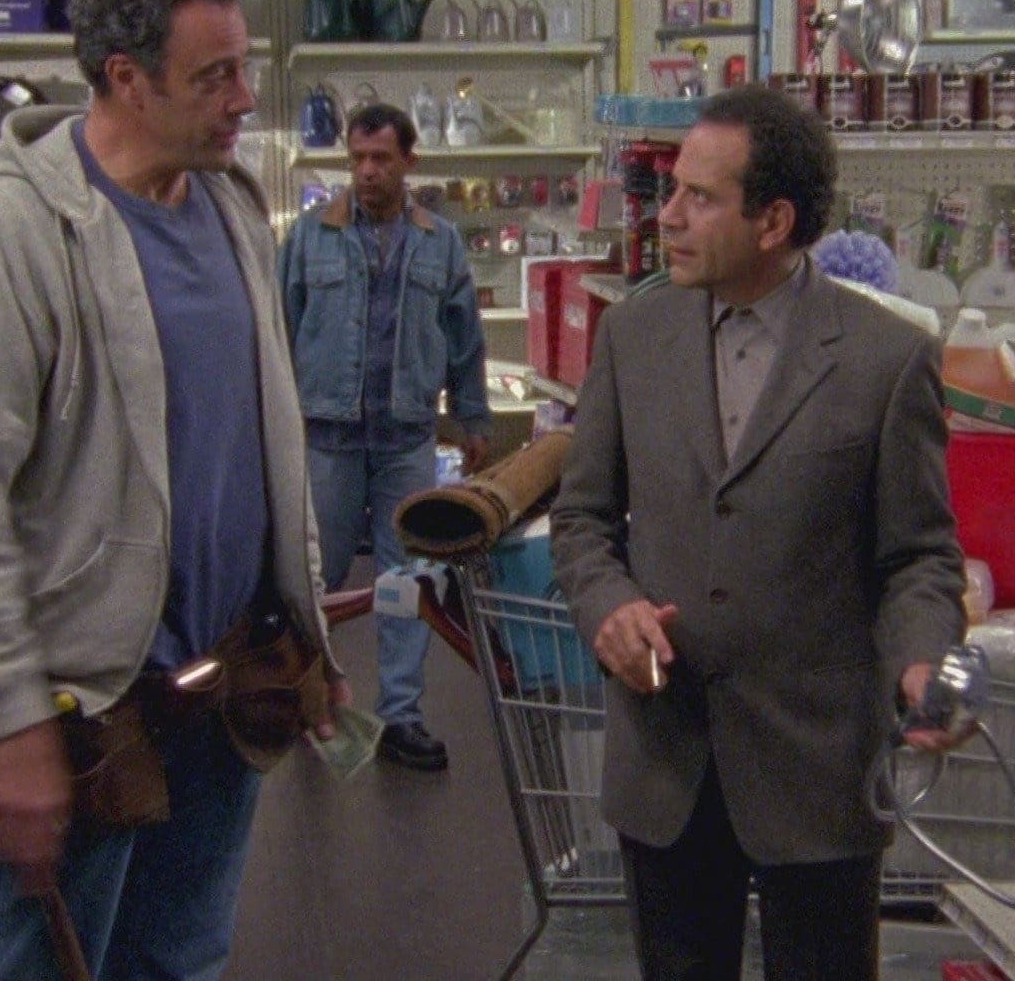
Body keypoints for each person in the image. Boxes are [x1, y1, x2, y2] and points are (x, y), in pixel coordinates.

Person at [0, 0, 346, 978]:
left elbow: (265, 433)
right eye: (215, 76)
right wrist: (10, 717)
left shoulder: (233, 207)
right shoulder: (18, 230)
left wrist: (307, 623)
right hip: (88, 716)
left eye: (245, 67)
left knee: (181, 961)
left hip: (224, 688)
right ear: (126, 78)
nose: (246, 98)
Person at [549, 85, 968, 979]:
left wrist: (921, 660)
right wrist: (609, 608)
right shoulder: (632, 336)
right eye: (672, 189)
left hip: (818, 766)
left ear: (773, 221)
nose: (668, 216)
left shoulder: (886, 359)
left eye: (700, 198)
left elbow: (920, 556)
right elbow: (583, 518)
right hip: (668, 758)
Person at [280, 102, 491, 772]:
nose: (367, 171)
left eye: (381, 158)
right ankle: (314, 703)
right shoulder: (309, 237)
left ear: (409, 161)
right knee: (318, 580)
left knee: (410, 580)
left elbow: (464, 336)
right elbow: (279, 331)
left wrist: (474, 417)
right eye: (358, 158)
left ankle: (401, 716)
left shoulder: (440, 243)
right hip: (328, 437)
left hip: (406, 437)